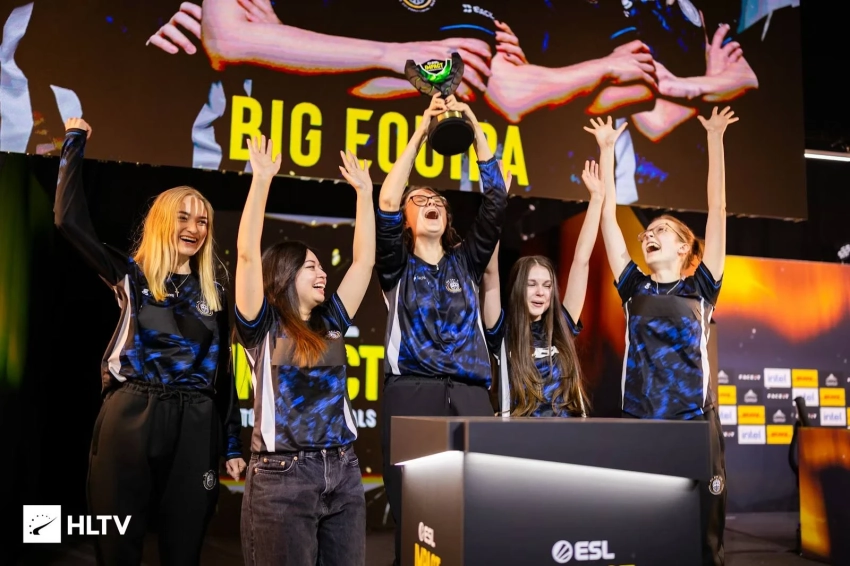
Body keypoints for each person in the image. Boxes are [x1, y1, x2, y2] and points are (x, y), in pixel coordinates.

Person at [54, 117, 246, 566]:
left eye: (203, 220)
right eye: (184, 217)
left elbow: (225, 374)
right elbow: (68, 221)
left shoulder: (215, 291)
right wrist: (74, 143)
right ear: (163, 221)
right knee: (117, 543)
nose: (195, 227)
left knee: (185, 548)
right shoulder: (132, 277)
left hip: (196, 422)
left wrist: (232, 443)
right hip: (132, 414)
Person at [587, 108, 737, 566]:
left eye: (661, 231)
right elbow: (610, 221)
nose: (649, 235)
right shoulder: (633, 287)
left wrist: (715, 139)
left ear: (684, 246)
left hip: (694, 423)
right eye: (647, 232)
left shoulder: (702, 287)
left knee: (703, 538)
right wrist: (607, 149)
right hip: (642, 422)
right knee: (644, 534)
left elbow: (717, 209)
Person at [375, 93, 508, 565]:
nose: (430, 202)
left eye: (438, 201)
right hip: (412, 396)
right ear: (407, 220)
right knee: (416, 518)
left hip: (470, 397)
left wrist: (474, 127)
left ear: (447, 217)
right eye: (421, 200)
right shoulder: (395, 265)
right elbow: (387, 199)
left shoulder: (466, 262)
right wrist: (421, 130)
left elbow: (496, 200)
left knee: (475, 517)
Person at [233, 136, 375, 566]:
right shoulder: (261, 325)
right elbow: (246, 256)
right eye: (311, 266)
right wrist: (261, 180)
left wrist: (365, 194)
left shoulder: (331, 322)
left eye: (321, 265)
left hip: (343, 474)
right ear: (285, 274)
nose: (323, 272)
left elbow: (364, 262)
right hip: (282, 480)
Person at [480, 157, 605, 417]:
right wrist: (496, 202)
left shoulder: (561, 325)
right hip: (520, 435)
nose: (541, 292)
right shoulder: (502, 330)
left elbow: (581, 261)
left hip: (566, 434)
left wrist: (596, 200)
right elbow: (490, 272)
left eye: (547, 285)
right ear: (518, 288)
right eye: (532, 284)